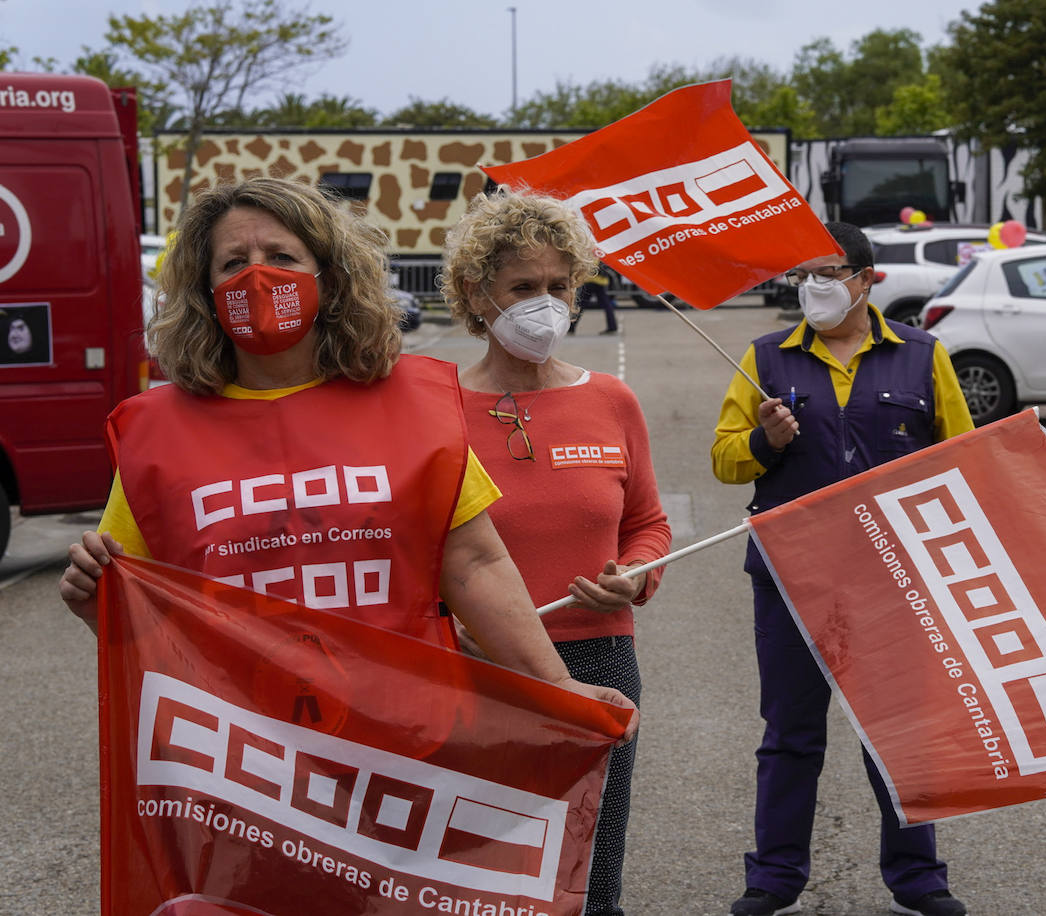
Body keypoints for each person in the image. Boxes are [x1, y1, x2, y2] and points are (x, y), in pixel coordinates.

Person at [57, 176, 637, 724]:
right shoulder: (158, 434)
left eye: (282, 257)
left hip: (400, 735)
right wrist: (98, 610)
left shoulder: (415, 408)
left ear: (330, 278)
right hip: (245, 751)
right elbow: (146, 607)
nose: (258, 278)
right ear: (206, 294)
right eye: (234, 263)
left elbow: (476, 565)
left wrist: (557, 687)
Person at [711, 222, 973, 916]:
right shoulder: (764, 358)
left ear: (865, 279)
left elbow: (963, 459)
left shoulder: (922, 356)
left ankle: (919, 878)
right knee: (790, 734)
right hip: (791, 581)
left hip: (895, 581)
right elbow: (724, 458)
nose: (814, 287)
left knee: (899, 729)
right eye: (804, 275)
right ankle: (774, 876)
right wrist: (764, 442)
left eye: (829, 273)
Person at [440, 189, 672, 916]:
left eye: (559, 286)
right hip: (474, 666)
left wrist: (637, 576)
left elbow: (650, 524)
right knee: (480, 879)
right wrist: (447, 626)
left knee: (590, 875)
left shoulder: (612, 401)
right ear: (477, 294)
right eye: (523, 288)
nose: (546, 304)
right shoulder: (432, 406)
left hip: (599, 661)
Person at [572, 264, 618, 335]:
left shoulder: (592, 253)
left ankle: (571, 327)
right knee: (606, 304)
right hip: (600, 280)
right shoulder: (601, 253)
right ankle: (612, 326)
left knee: (581, 304)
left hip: (591, 280)